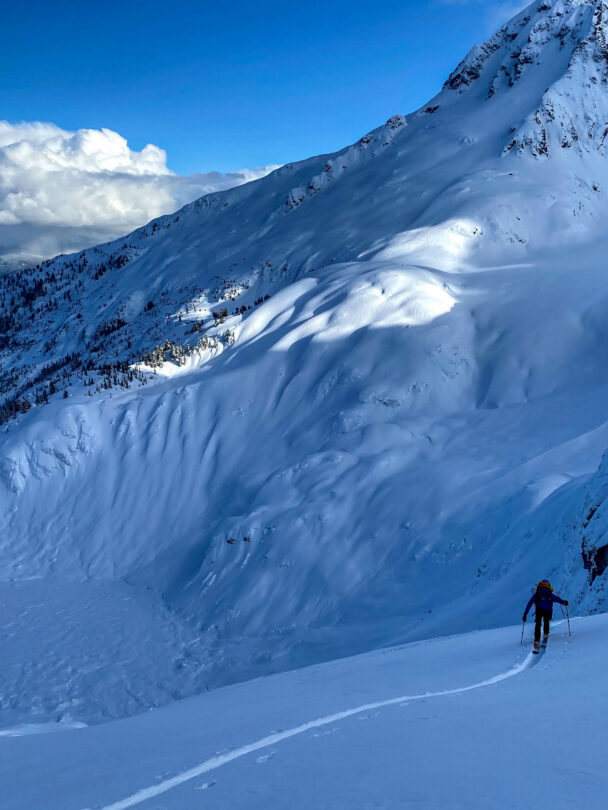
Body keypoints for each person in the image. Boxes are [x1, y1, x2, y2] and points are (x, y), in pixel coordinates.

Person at [523, 580, 568, 653]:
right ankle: (545, 636)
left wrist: (525, 614)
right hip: (547, 610)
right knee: (546, 622)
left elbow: (530, 603)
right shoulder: (549, 593)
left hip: (539, 610)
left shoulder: (537, 594)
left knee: (538, 624)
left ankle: (536, 642)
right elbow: (557, 599)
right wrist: (564, 602)